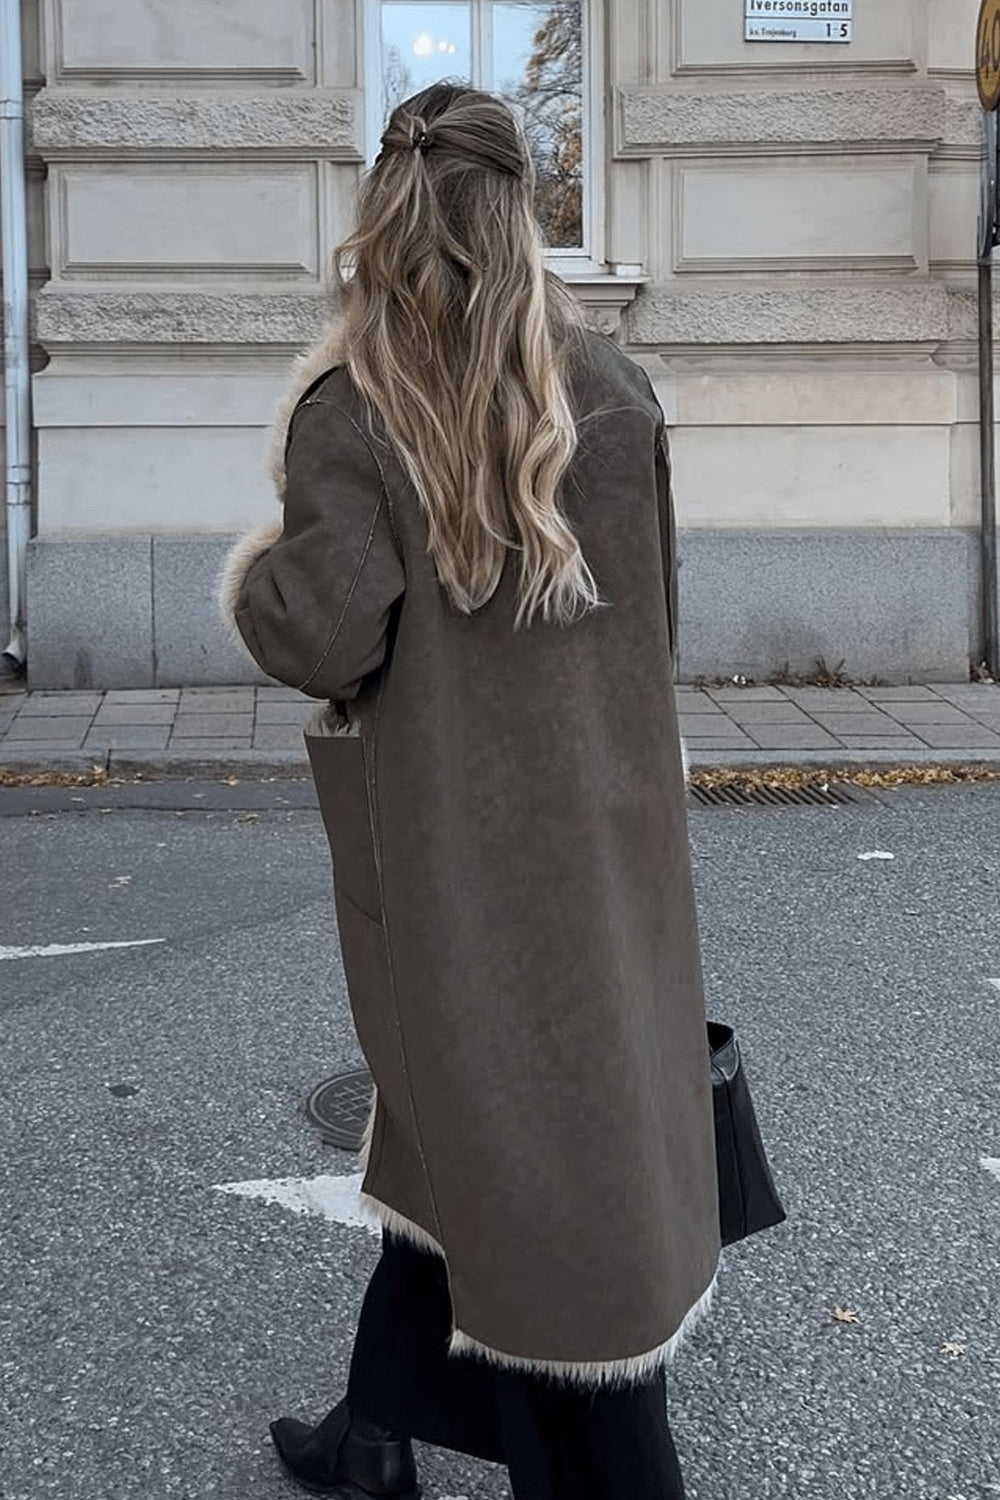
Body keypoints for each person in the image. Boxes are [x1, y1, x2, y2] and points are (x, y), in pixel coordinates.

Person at [219, 81, 721, 1500]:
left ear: (385, 211)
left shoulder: (360, 404)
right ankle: (373, 1432)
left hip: (454, 855)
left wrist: (256, 572)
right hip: (609, 838)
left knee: (525, 1161)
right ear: (521, 210)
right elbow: (658, 616)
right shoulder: (614, 388)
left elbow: (320, 634)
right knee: (490, 1120)